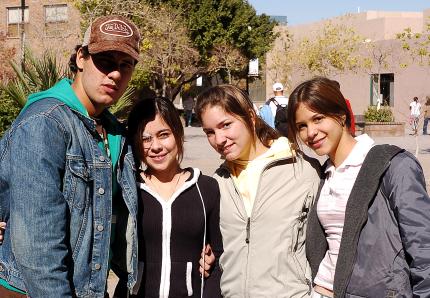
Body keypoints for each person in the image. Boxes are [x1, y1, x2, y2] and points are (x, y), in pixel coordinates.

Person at [0, 15, 141, 297]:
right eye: (105, 62)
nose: (115, 74)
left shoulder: (114, 131)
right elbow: (38, 247)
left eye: (125, 65)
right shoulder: (45, 121)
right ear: (81, 58)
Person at [287, 77, 430, 297]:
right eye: (302, 126)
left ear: (341, 115)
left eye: (318, 119)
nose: (310, 133)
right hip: (321, 290)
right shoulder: (323, 173)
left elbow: (422, 246)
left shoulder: (392, 164)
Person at [195, 85, 320, 297]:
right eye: (210, 132)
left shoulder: (303, 171)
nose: (219, 139)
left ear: (251, 117)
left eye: (226, 125)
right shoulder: (216, 182)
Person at [126, 97, 223, 297]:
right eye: (145, 139)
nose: (156, 146)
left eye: (164, 135)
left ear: (178, 134)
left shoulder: (206, 189)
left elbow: (221, 255)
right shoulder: (128, 190)